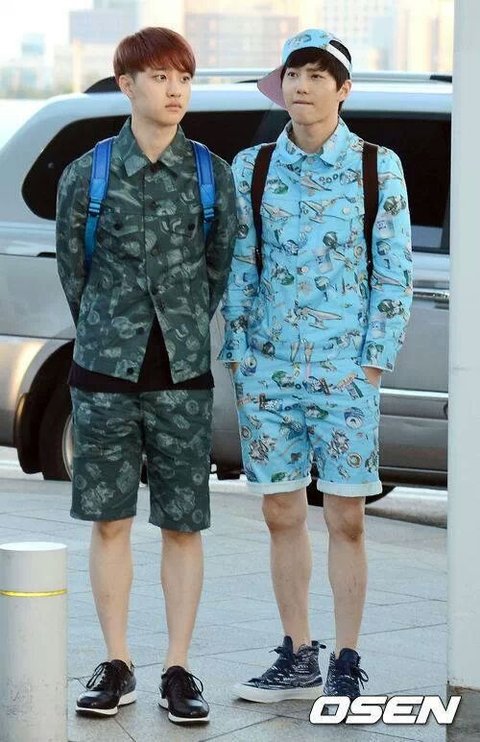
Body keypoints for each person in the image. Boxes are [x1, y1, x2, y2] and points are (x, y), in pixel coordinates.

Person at [219, 28, 412, 702]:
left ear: (343, 88)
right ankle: (298, 654)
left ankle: (348, 660)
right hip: (268, 373)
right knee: (281, 514)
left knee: (346, 517)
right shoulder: (253, 166)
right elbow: (240, 265)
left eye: (316, 75)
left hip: (345, 372)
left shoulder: (376, 166)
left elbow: (394, 271)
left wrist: (373, 365)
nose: (301, 86)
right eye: (293, 75)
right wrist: (240, 356)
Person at [56, 26, 236, 724]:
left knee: (183, 525)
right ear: (126, 84)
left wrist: (182, 327)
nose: (175, 90)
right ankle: (116, 662)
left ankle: (178, 668)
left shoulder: (210, 174)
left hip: (182, 375)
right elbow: (75, 270)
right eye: (160, 76)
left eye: (183, 77)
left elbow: (218, 267)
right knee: (109, 522)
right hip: (103, 373)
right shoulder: (89, 173)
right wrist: (112, 329)